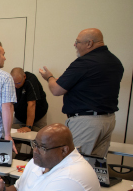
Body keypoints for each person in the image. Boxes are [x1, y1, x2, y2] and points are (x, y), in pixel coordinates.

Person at [39, 28, 124, 157]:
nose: (75, 45)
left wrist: (49, 78)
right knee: (96, 165)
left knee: (76, 162)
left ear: (89, 43)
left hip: (87, 122)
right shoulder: (115, 62)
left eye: (77, 42)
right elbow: (92, 85)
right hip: (108, 119)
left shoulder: (85, 62)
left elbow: (56, 89)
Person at [11, 67, 48, 132]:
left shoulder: (31, 80)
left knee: (40, 136)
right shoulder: (9, 81)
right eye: (13, 83)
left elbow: (32, 104)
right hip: (19, 115)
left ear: (24, 76)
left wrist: (28, 126)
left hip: (38, 114)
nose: (16, 86)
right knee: (14, 133)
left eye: (18, 83)